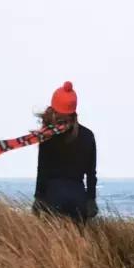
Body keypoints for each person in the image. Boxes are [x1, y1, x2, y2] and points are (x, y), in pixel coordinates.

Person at [33, 81, 98, 223]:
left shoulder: (47, 135)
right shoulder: (88, 135)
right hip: (78, 198)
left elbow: (42, 169)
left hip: (53, 197)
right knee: (78, 243)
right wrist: (91, 199)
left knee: (52, 244)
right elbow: (91, 173)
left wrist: (38, 197)